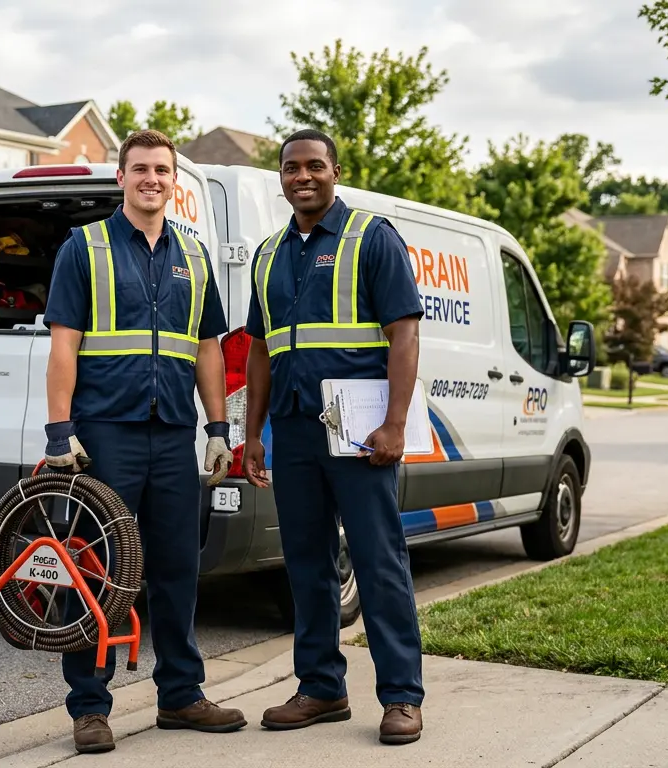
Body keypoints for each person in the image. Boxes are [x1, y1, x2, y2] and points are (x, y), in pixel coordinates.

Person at [42, 128, 245, 754]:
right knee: (95, 569)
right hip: (106, 435)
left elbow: (207, 347)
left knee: (178, 568)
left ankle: (181, 696)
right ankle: (89, 707)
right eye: (139, 169)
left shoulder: (194, 255)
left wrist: (217, 427)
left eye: (162, 169)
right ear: (121, 177)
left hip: (172, 436)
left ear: (174, 180)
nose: (151, 178)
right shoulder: (86, 249)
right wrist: (59, 432)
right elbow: (64, 345)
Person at [240, 128, 426, 744]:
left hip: (359, 431)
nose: (303, 176)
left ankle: (401, 696)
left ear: (335, 171)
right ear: (282, 178)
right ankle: (321, 687)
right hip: (293, 431)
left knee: (378, 562)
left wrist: (396, 422)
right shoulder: (268, 255)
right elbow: (262, 351)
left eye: (314, 165)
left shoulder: (371, 238)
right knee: (306, 564)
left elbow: (403, 333)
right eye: (292, 168)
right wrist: (253, 431)